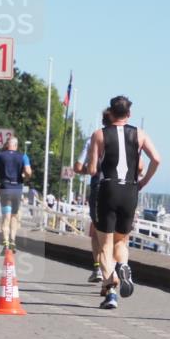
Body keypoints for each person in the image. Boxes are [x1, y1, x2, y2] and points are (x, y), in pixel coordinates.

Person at [87, 96, 160, 310]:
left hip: (107, 188)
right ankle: (124, 265)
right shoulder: (140, 134)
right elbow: (157, 159)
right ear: (129, 114)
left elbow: (93, 170)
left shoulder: (99, 134)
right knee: (121, 241)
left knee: (104, 246)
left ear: (110, 112)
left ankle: (110, 292)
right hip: (130, 189)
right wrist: (143, 181)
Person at [74, 111, 111, 283]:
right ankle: (114, 268)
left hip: (99, 186)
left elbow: (78, 166)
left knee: (97, 232)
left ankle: (99, 268)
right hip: (122, 190)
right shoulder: (128, 139)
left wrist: (88, 170)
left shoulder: (93, 139)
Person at [0, 136, 32, 251]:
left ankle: (5, 243)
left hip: (5, 188)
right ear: (16, 145)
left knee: (6, 217)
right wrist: (25, 176)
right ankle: (13, 241)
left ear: (7, 145)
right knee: (14, 217)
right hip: (17, 189)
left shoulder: (0, 155)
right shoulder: (23, 156)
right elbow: (28, 171)